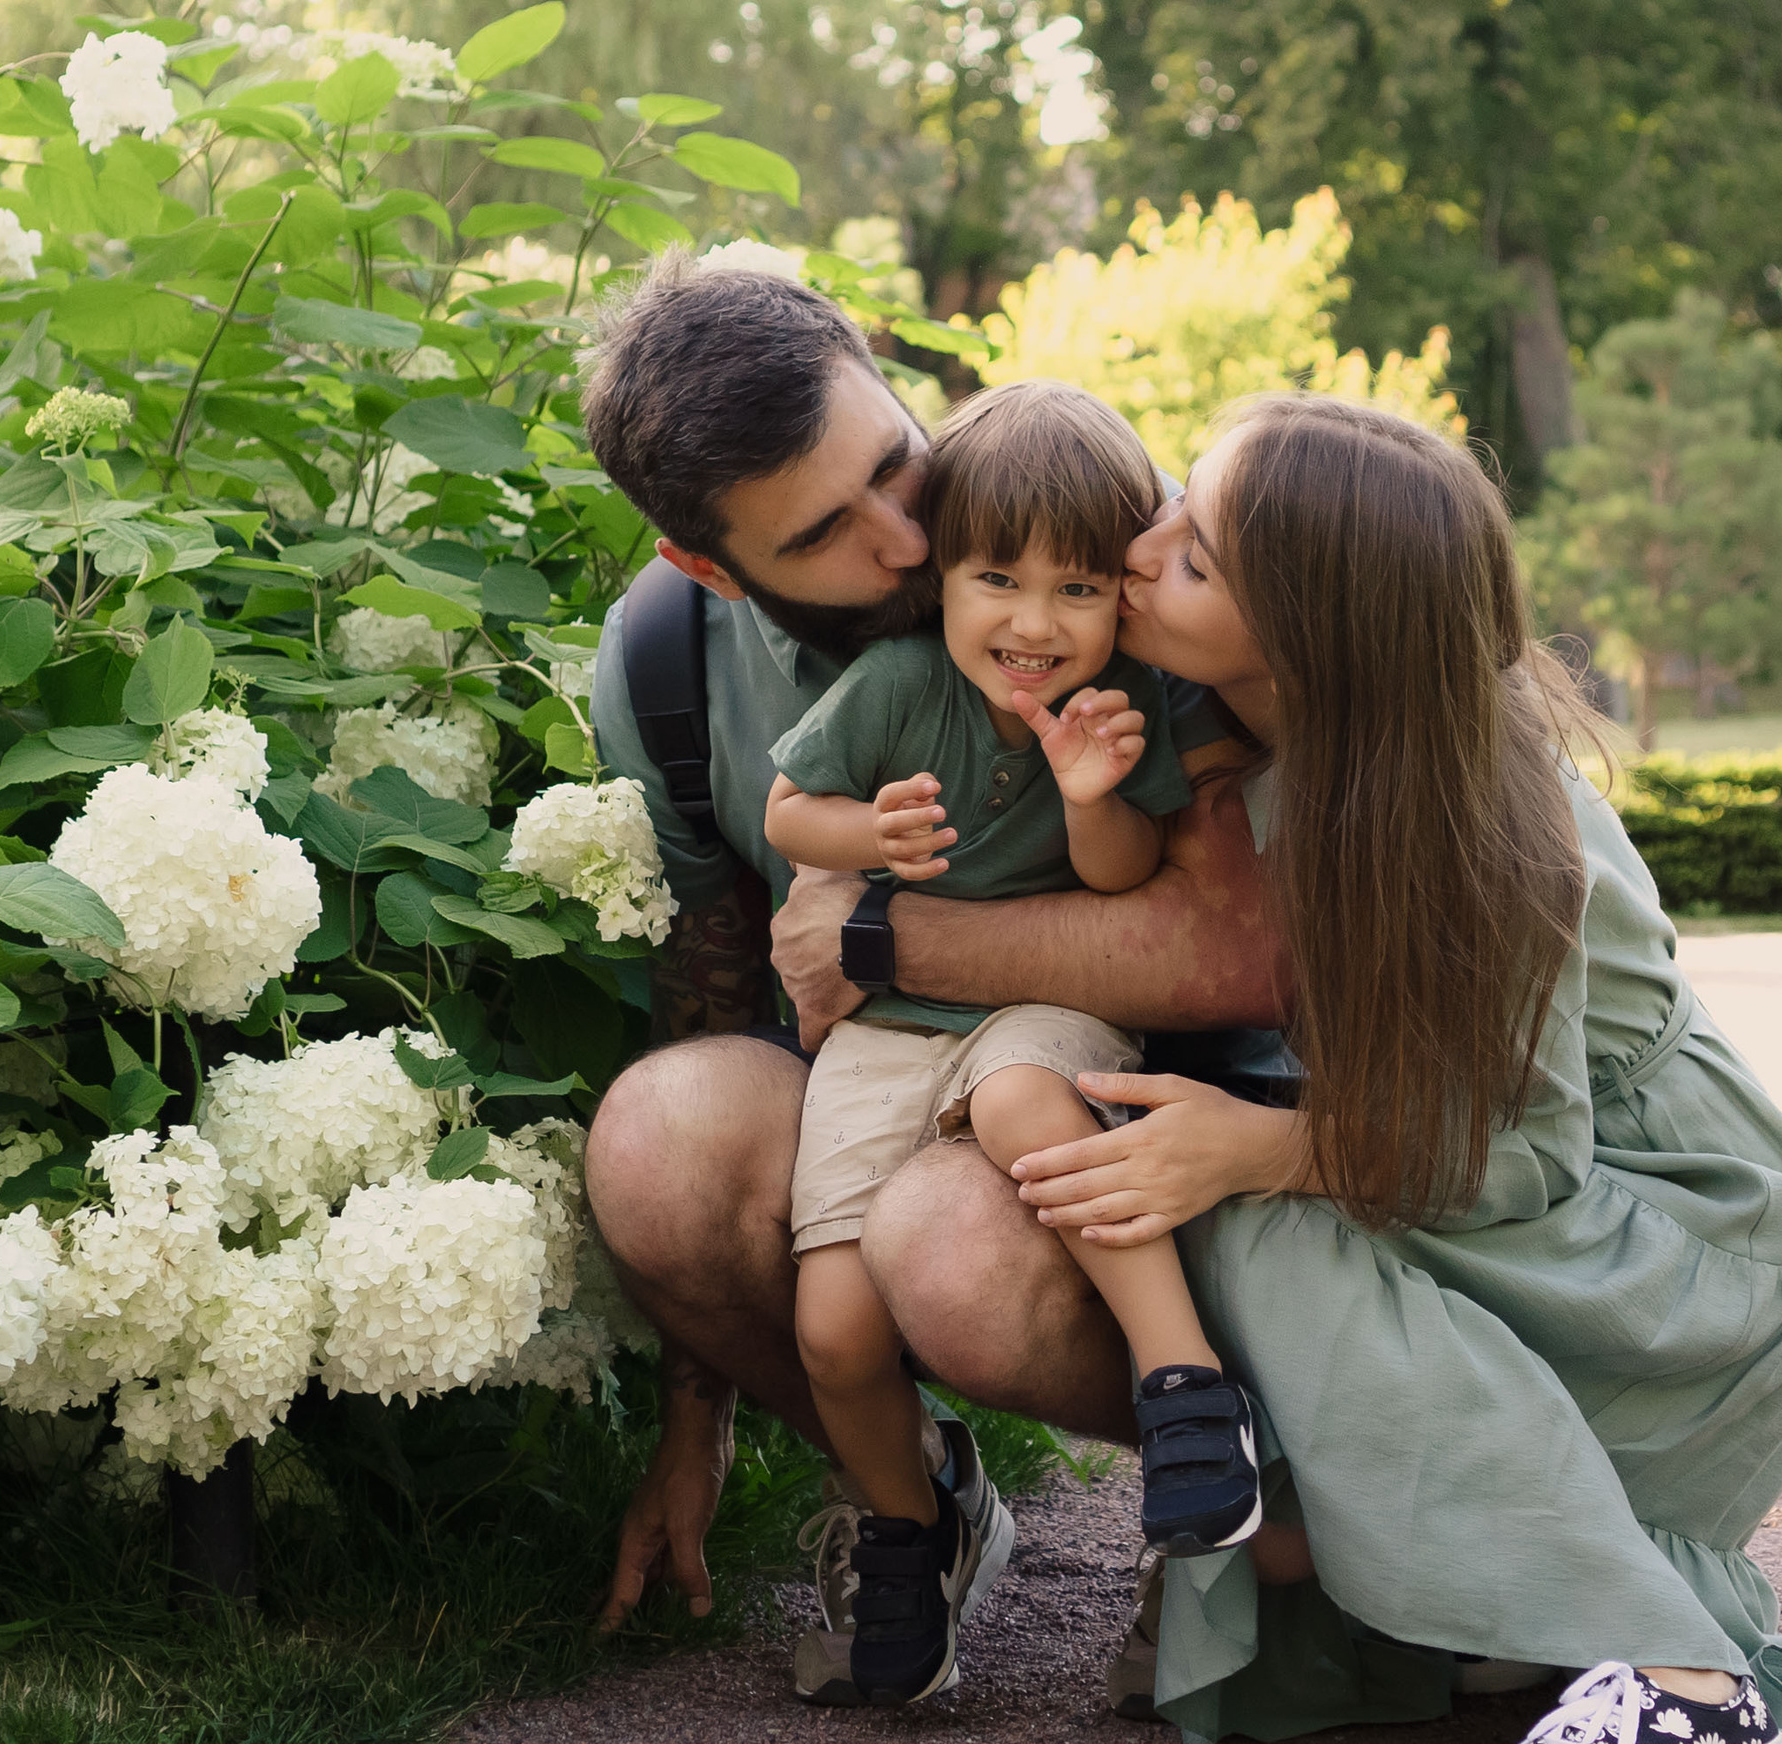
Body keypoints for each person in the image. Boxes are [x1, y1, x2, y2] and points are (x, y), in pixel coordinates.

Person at [974, 393, 1782, 1744]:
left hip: (1669, 1234)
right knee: (1215, 1196)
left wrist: (1261, 1145)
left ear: (1313, 642)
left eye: (1195, 555)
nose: (1141, 551)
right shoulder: (1265, 721)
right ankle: (1406, 1600)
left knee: (1252, 1211)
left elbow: (1529, 1154)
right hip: (1515, 1202)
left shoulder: (1464, 808)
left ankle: (1676, 1666)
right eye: (1177, 507)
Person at [579, 250, 1284, 1712]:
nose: (908, 541)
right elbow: (710, 990)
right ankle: (910, 1496)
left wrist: (878, 934)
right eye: (828, 532)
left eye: (895, 465)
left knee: (957, 1236)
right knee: (659, 1139)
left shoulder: (1090, 538)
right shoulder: (666, 666)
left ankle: (1264, 1496)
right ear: (709, 565)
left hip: (1168, 1110)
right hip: (888, 1077)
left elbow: (1229, 945)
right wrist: (690, 1419)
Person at [761, 380, 1265, 1703]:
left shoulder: (1123, 708)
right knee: (832, 1323)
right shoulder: (897, 684)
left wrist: (1090, 795)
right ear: (943, 582)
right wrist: (859, 838)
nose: (1035, 625)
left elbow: (1119, 885)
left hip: (1032, 1010)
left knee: (1027, 1102)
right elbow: (786, 811)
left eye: (1079, 591)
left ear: (1122, 598)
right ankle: (905, 1529)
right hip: (888, 1032)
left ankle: (1184, 1388)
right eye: (998, 579)